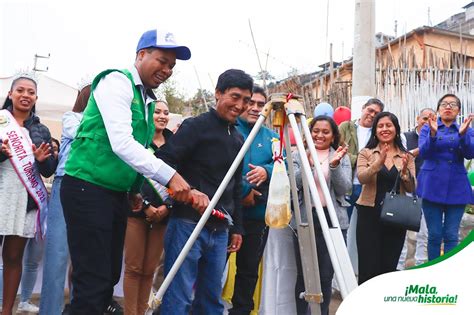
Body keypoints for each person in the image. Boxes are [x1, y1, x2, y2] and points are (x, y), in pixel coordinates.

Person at [60, 29, 195, 314]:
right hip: (87, 187)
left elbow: (137, 149)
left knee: (107, 279)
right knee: (93, 282)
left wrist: (133, 189)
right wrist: (169, 176)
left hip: (114, 194)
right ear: (141, 55)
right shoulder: (116, 81)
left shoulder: (145, 99)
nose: (167, 69)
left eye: (172, 65)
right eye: (162, 60)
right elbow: (121, 142)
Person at [157, 69, 253, 315]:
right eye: (235, 96)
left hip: (220, 229)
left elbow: (235, 187)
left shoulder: (239, 139)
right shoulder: (196, 126)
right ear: (218, 94)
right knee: (177, 298)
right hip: (187, 223)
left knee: (211, 300)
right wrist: (186, 192)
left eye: (246, 99)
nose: (240, 105)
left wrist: (237, 228)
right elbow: (164, 161)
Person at [0, 75, 56, 315]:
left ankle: (7, 310)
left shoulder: (41, 130)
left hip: (25, 198)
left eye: (30, 92)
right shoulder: (2, 121)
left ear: (35, 98)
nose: (25, 95)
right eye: (20, 90)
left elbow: (49, 169)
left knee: (14, 257)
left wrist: (43, 162)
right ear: (10, 94)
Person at [292, 116, 351, 315]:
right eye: (315, 130)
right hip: (306, 218)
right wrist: (308, 165)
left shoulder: (340, 155)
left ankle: (322, 312)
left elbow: (345, 188)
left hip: (333, 219)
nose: (319, 135)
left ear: (333, 135)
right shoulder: (298, 154)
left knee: (326, 275)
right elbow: (294, 185)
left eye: (325, 132)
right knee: (304, 275)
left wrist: (334, 166)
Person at [39, 84, 90, 315]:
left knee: (87, 258)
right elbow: (81, 133)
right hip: (65, 182)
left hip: (95, 187)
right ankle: (50, 311)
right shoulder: (73, 117)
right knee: (57, 254)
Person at [123, 100, 174, 315]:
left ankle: (142, 310)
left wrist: (167, 207)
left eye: (166, 112)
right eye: (157, 112)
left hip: (164, 214)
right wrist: (145, 206)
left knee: (149, 269)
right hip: (136, 211)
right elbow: (128, 174)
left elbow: (182, 178)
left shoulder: (175, 144)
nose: (162, 116)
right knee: (134, 268)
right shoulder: (137, 140)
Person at [229, 86, 276, 315]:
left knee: (248, 270)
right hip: (226, 215)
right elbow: (222, 167)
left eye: (261, 104)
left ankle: (241, 310)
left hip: (257, 216)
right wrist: (244, 191)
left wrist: (267, 170)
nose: (255, 108)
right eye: (252, 103)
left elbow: (285, 163)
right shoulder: (228, 129)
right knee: (213, 266)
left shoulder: (271, 137)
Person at [355, 112, 416, 284]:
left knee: (389, 265)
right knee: (368, 265)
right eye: (380, 126)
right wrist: (377, 163)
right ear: (375, 131)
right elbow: (362, 178)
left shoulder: (407, 156)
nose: (384, 129)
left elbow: (412, 187)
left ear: (396, 130)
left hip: (396, 216)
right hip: (369, 214)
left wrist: (404, 174)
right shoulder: (366, 153)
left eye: (389, 125)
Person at [417, 94, 474, 260]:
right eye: (444, 104)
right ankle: (434, 270)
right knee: (434, 234)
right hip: (431, 185)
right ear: (438, 109)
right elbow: (424, 152)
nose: (448, 107)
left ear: (458, 111)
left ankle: (448, 272)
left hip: (456, 187)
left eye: (453, 104)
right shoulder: (428, 128)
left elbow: (470, 154)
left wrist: (463, 136)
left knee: (451, 234)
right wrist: (433, 135)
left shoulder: (466, 129)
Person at [338, 98, 384, 275]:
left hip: (368, 187)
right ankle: (339, 274)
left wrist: (357, 159)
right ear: (363, 109)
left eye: (376, 113)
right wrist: (361, 159)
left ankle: (358, 271)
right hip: (347, 185)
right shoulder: (346, 127)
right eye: (370, 110)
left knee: (363, 233)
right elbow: (337, 151)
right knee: (343, 228)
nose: (371, 115)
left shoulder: (378, 132)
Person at [397, 108, 435, 269]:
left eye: (431, 119)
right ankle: (398, 266)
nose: (426, 122)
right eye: (424, 118)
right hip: (408, 188)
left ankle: (420, 264)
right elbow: (403, 159)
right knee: (402, 231)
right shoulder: (405, 137)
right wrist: (420, 150)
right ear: (417, 118)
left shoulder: (437, 138)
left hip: (429, 190)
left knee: (425, 232)